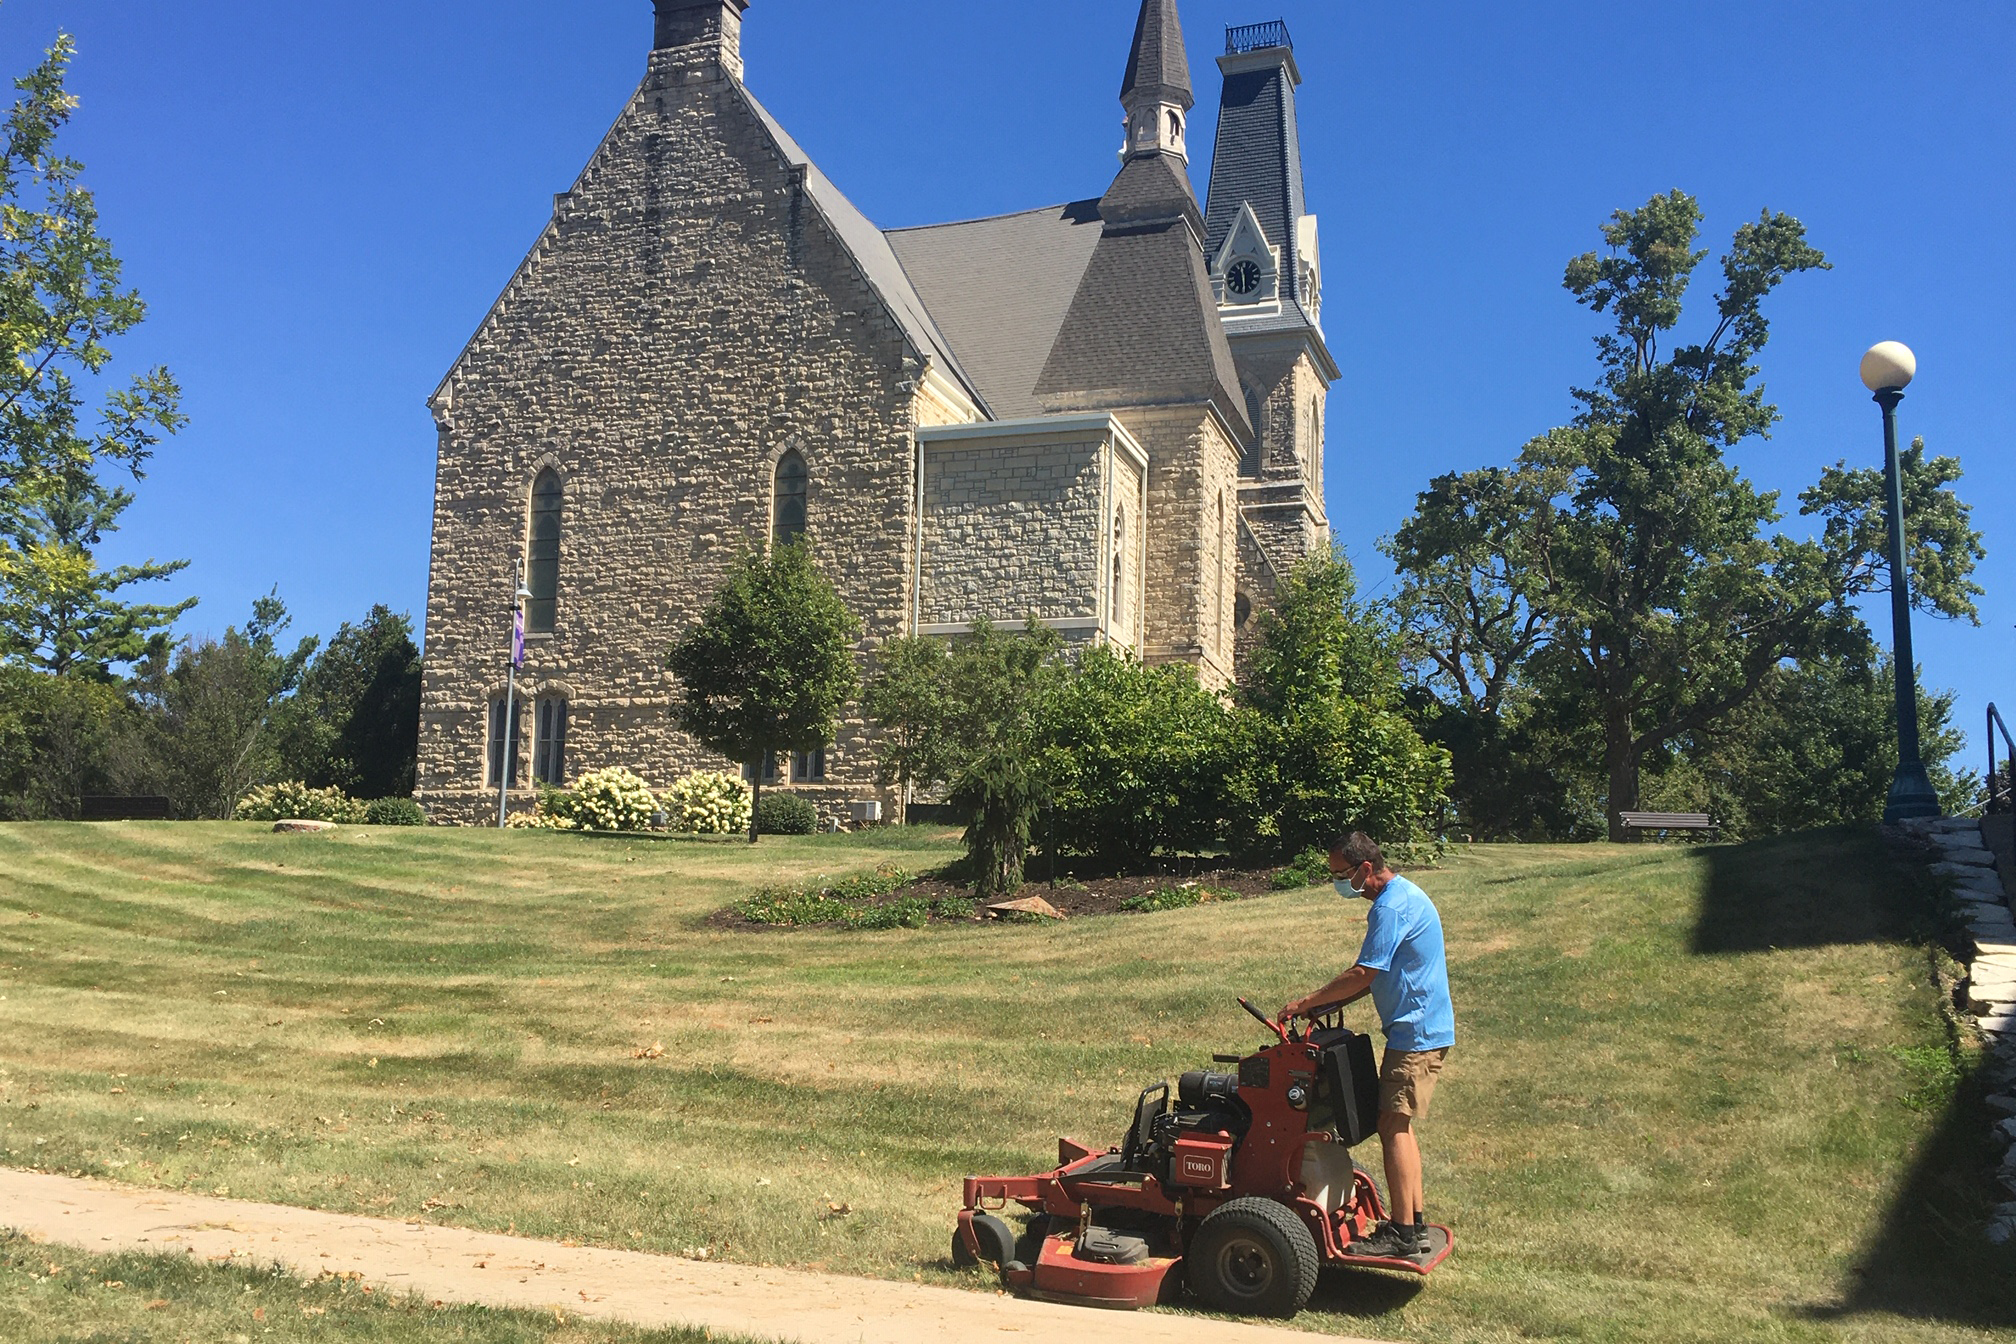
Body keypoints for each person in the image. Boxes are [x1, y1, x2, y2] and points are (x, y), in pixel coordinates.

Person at [1279, 831, 1454, 1260]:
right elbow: (1373, 976)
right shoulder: (1405, 895)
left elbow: (1363, 972)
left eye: (1341, 875)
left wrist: (1307, 1001)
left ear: (1365, 869)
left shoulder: (1390, 907)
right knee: (1400, 1125)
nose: (1340, 884)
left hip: (1415, 1034)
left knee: (1392, 1125)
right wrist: (1328, 1004)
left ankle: (1402, 1233)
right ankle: (1414, 1224)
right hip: (1422, 1030)